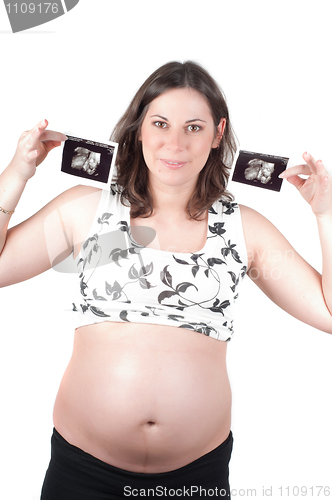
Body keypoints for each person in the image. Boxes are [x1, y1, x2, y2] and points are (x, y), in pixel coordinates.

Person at [0, 61, 331, 499]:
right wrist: (18, 174)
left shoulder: (243, 228)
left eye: (194, 127)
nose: (174, 143)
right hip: (82, 473)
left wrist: (325, 213)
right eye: (160, 123)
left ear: (217, 134)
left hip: (195, 479)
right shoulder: (84, 210)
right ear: (139, 129)